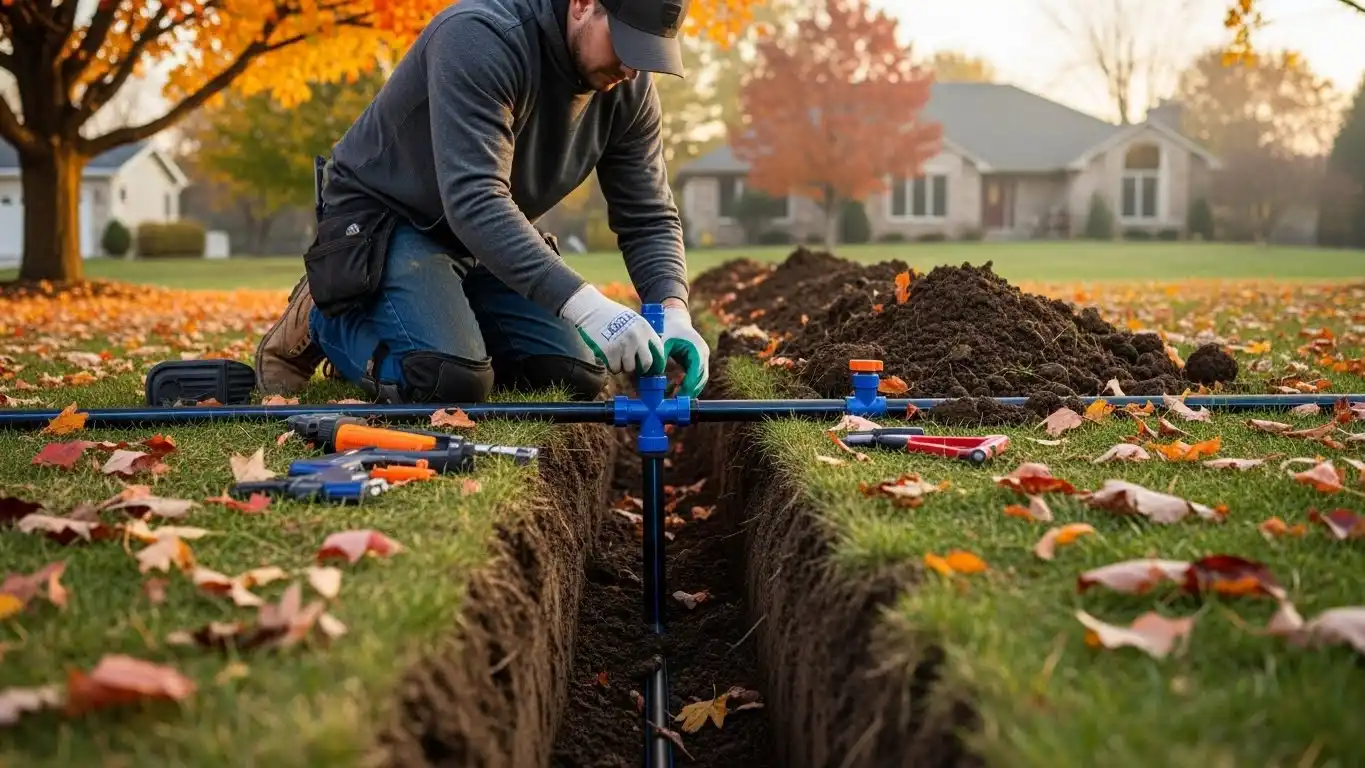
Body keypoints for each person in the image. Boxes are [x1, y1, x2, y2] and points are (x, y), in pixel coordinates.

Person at [253, 0, 710, 405]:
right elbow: (475, 199)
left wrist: (673, 310)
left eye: (648, 51)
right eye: (626, 43)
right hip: (387, 222)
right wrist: (589, 306)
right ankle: (327, 316)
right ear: (582, 5)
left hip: (480, 237)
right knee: (447, 381)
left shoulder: (628, 88)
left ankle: (442, 320)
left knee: (574, 374)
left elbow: (648, 215)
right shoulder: (480, 35)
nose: (632, 68)